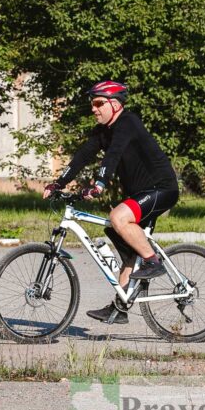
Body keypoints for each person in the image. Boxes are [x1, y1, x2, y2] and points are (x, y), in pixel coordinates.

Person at [44, 81, 180, 325]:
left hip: (161, 188)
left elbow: (113, 154)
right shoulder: (102, 131)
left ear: (115, 104)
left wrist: (100, 183)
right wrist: (58, 183)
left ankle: (153, 261)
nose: (94, 109)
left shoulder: (128, 122)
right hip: (139, 193)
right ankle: (120, 307)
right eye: (92, 104)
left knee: (118, 217)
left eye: (98, 103)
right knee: (125, 243)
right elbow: (81, 157)